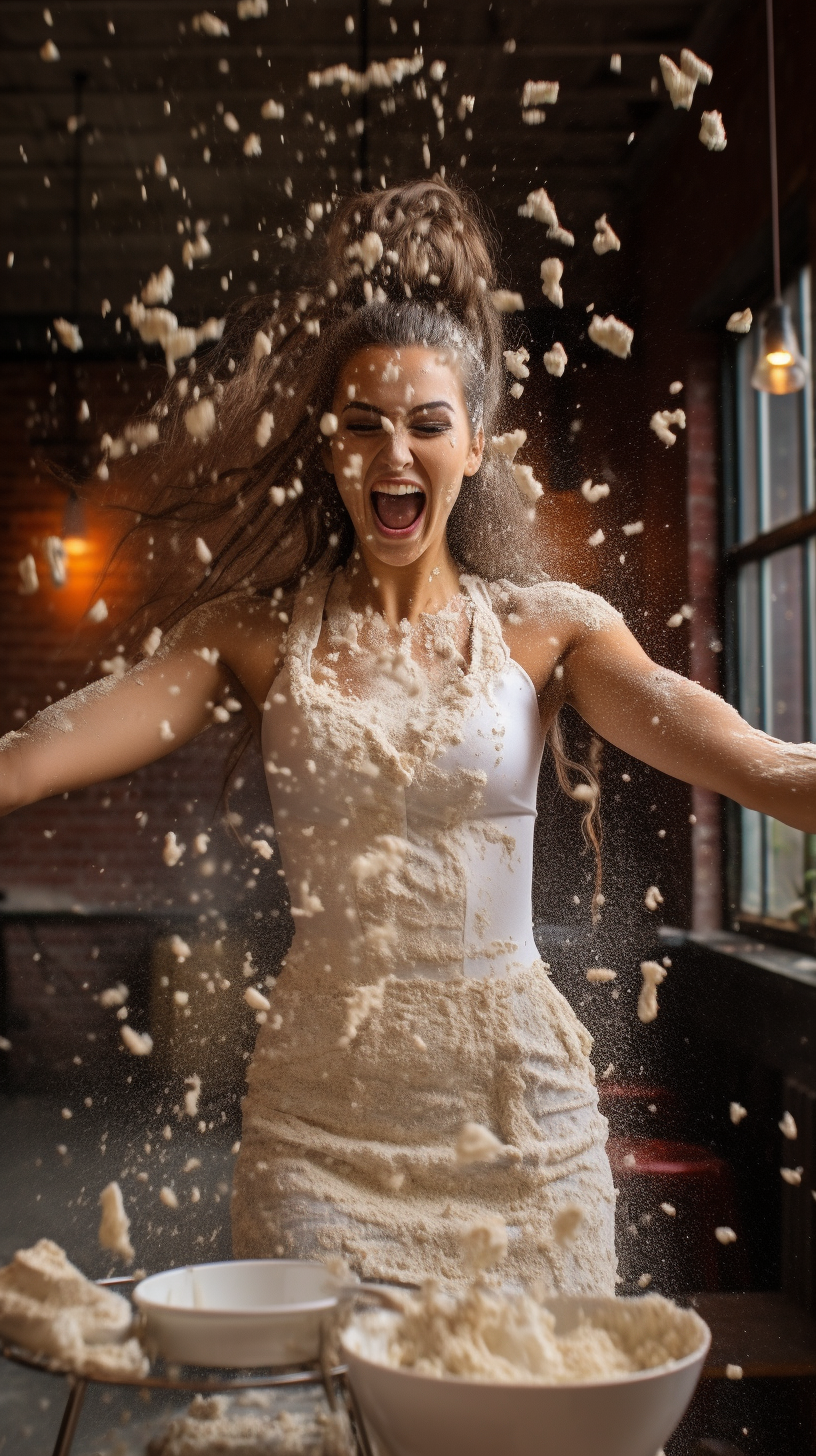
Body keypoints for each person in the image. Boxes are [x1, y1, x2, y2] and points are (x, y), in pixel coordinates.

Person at [1, 180, 813, 1295]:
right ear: (332, 451)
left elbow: (742, 751)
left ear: (474, 445)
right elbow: (51, 747)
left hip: (514, 1113)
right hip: (320, 1122)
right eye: (364, 425)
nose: (396, 451)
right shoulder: (252, 637)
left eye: (428, 424)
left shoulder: (549, 634)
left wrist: (796, 781)